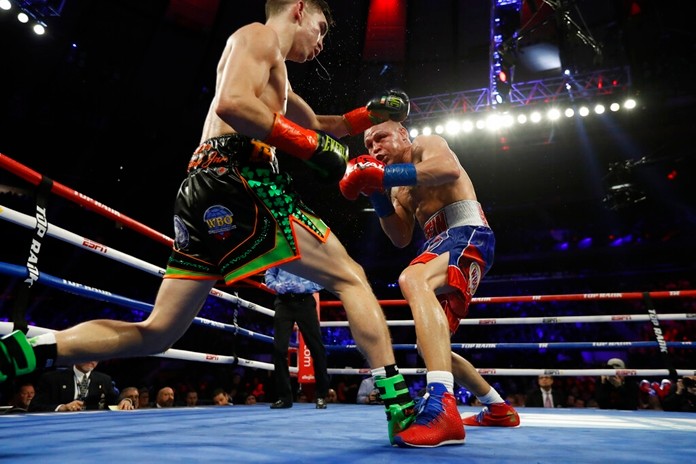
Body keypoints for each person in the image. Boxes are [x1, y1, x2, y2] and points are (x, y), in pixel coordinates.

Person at [0, 0, 415, 444]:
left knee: (158, 332)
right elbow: (234, 105)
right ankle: (401, 406)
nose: (321, 41)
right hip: (240, 177)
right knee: (351, 276)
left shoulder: (272, 69)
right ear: (298, 10)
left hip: (203, 188)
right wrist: (313, 149)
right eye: (320, 27)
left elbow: (316, 123)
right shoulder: (256, 36)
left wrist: (368, 116)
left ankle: (29, 351)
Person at [339, 120, 520, 447]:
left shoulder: (427, 145)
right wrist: (377, 194)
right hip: (436, 245)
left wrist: (381, 175)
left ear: (403, 135)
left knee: (412, 277)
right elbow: (400, 237)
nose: (374, 148)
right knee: (431, 347)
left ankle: (441, 407)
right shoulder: (395, 188)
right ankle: (498, 407)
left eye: (380, 137)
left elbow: (448, 169)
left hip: (467, 232)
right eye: (368, 145)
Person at [265, 266, 329, 410]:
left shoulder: (309, 253)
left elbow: (323, 278)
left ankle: (321, 396)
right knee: (279, 349)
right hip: (283, 302)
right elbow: (269, 274)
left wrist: (305, 287)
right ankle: (284, 398)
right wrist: (276, 285)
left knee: (317, 348)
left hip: (305, 301)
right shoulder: (279, 251)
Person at [28, 361, 124, 412]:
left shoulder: (104, 380)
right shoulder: (52, 378)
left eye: (96, 356)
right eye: (87, 354)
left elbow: (115, 402)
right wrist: (62, 408)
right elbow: (35, 407)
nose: (91, 360)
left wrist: (125, 401)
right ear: (77, 355)